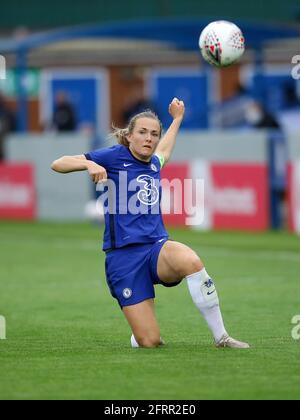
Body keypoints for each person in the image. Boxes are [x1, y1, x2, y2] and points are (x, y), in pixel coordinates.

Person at [51, 98, 250, 349]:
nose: (149, 138)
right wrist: (89, 162)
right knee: (150, 341)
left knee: (191, 260)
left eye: (154, 134)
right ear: (130, 136)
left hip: (156, 248)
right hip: (123, 258)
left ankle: (222, 337)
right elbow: (58, 163)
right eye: (143, 132)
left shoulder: (154, 164)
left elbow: (164, 151)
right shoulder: (114, 157)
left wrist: (177, 119)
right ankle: (141, 332)